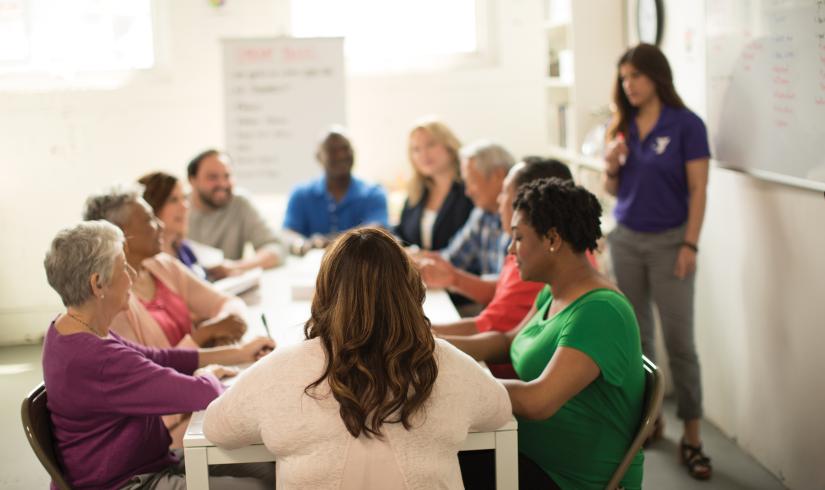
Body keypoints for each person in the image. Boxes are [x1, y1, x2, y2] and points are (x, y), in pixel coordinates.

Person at [203, 227, 511, 489]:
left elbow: (217, 428)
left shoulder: (283, 369)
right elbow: (499, 410)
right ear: (410, 291)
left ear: (324, 292)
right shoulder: (443, 362)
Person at [42, 220, 275, 490]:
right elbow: (200, 394)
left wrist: (236, 353)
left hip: (145, 462)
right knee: (257, 487)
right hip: (123, 482)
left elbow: (157, 357)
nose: (132, 275)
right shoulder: (98, 358)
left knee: (268, 469)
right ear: (98, 284)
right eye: (123, 267)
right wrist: (208, 375)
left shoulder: (70, 328)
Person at [443, 178, 645, 490]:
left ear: (552, 239)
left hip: (570, 480)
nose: (511, 250)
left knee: (438, 460)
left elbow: (539, 401)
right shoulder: (554, 293)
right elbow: (507, 340)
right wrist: (431, 347)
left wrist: (453, 381)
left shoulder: (600, 311)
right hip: (529, 456)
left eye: (518, 238)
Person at [602, 43, 711, 480]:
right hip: (626, 239)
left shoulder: (686, 125)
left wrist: (691, 246)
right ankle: (652, 421)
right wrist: (610, 166)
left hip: (670, 243)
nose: (629, 85)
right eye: (624, 77)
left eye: (637, 76)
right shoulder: (623, 125)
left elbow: (699, 190)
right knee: (638, 339)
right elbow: (614, 190)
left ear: (657, 77)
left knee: (680, 343)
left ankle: (694, 436)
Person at [423, 158, 573, 378]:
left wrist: (420, 338)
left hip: (502, 378)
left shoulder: (542, 260)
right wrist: (423, 337)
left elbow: (490, 328)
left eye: (505, 192)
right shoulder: (541, 260)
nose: (499, 200)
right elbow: (507, 337)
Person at [83, 185, 249, 350]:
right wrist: (204, 335)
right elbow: (148, 369)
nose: (161, 225)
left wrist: (221, 328)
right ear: (120, 233)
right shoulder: (112, 301)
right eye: (150, 220)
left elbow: (228, 302)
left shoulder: (164, 266)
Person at [283, 126, 388, 255]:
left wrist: (333, 242)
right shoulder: (301, 194)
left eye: (345, 148)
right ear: (318, 157)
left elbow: (378, 231)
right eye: (332, 150)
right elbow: (287, 234)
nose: (341, 155)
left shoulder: (373, 193)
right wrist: (304, 245)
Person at [187, 149, 284, 278]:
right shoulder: (178, 206)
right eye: (212, 177)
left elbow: (275, 248)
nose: (222, 184)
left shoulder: (240, 203)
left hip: (228, 288)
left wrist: (235, 267)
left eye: (227, 176)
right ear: (192, 180)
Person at [395, 117, 474, 251]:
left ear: (449, 146)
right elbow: (402, 233)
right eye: (416, 149)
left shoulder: (470, 190)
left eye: (430, 144)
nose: (424, 154)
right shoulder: (417, 191)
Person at [138, 171, 208, 280]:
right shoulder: (143, 264)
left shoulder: (184, 249)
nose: (184, 207)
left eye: (184, 198)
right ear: (150, 207)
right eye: (173, 200)